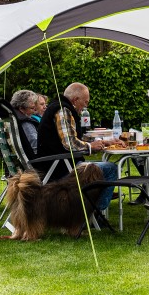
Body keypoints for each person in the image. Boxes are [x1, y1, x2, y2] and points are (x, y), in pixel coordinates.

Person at [36, 82, 118, 219]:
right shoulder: (63, 110)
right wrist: (91, 147)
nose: (86, 106)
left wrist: (102, 142)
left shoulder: (59, 107)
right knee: (110, 168)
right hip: (58, 167)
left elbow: (71, 137)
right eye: (85, 102)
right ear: (75, 100)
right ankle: (94, 214)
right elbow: (70, 143)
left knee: (100, 168)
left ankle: (89, 210)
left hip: (56, 163)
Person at [9, 89, 41, 156]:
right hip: (41, 159)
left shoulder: (14, 119)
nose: (34, 111)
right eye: (32, 108)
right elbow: (36, 146)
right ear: (21, 108)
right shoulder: (25, 123)